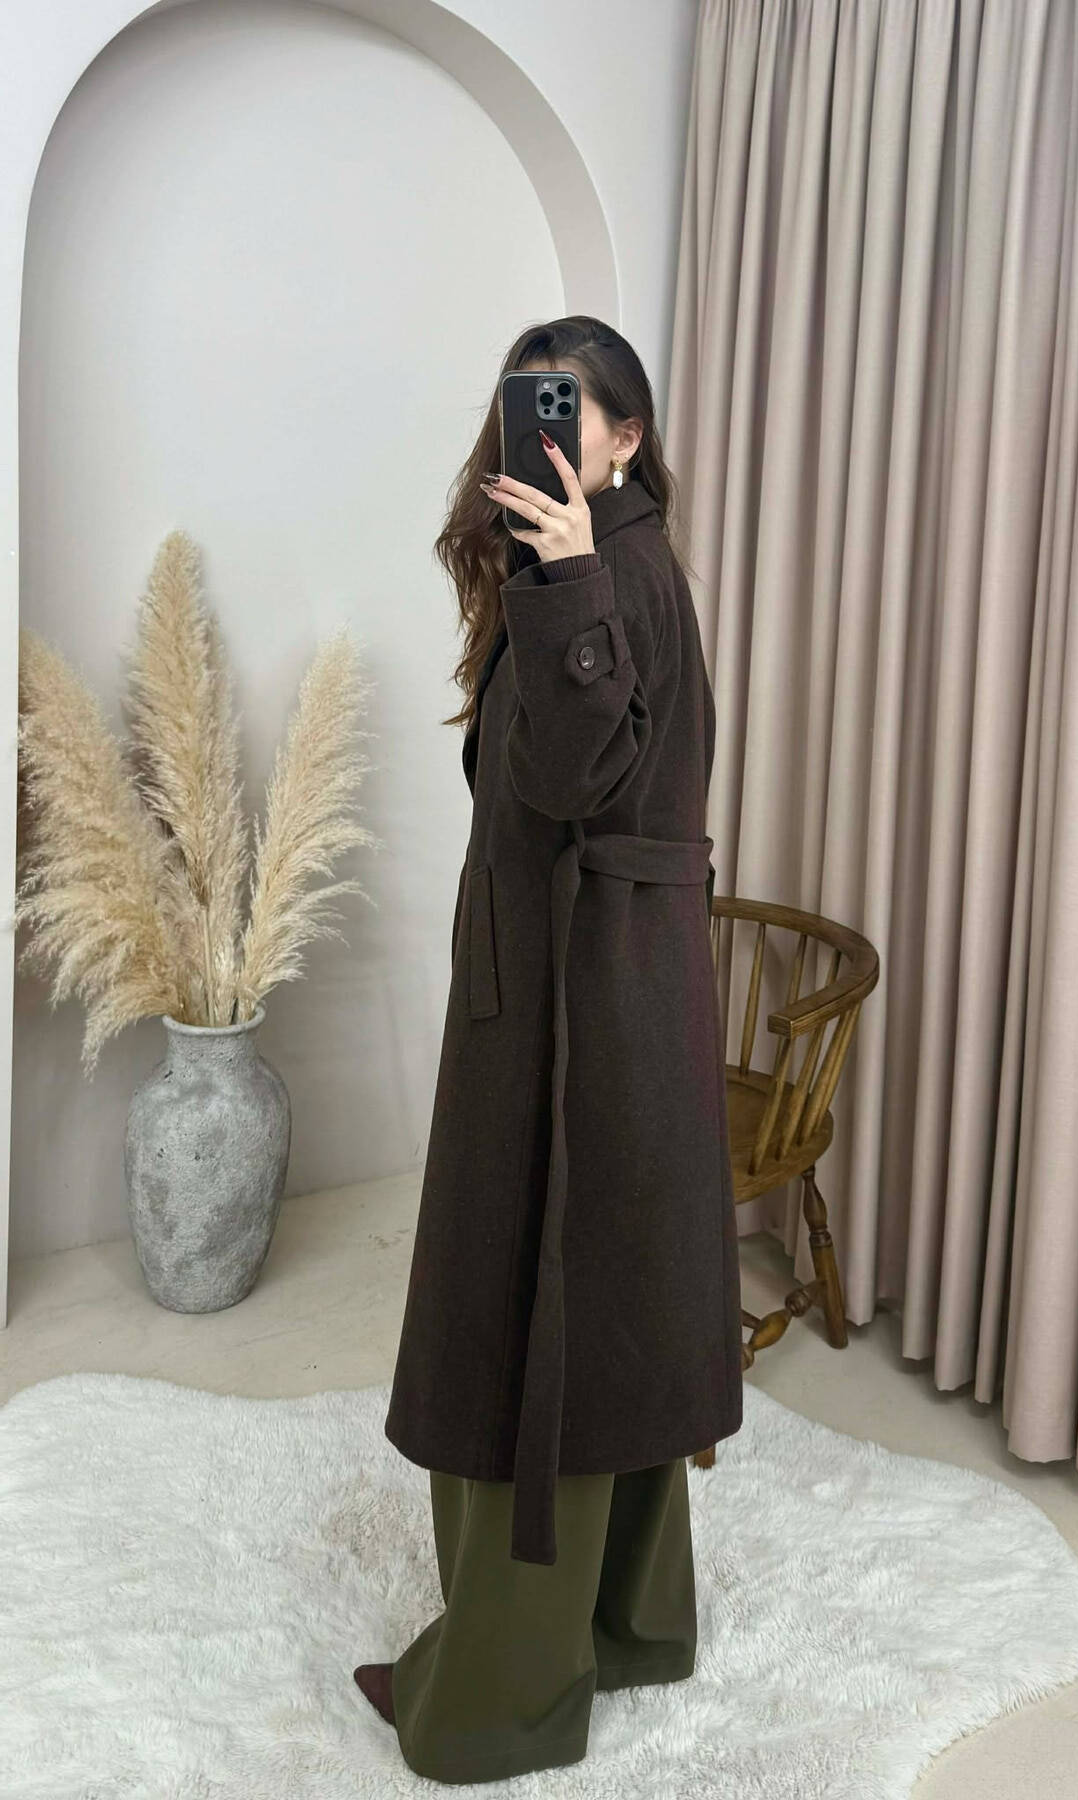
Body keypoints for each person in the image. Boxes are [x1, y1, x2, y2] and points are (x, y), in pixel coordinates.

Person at [354, 316, 744, 1784]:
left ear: (626, 438)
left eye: (569, 409)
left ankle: (500, 1698)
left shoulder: (604, 572)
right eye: (527, 404)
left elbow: (574, 779)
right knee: (615, 1302)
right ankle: (633, 1627)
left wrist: (563, 580)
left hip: (582, 1011)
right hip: (613, 992)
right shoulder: (628, 563)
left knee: (534, 1311)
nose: (541, 430)